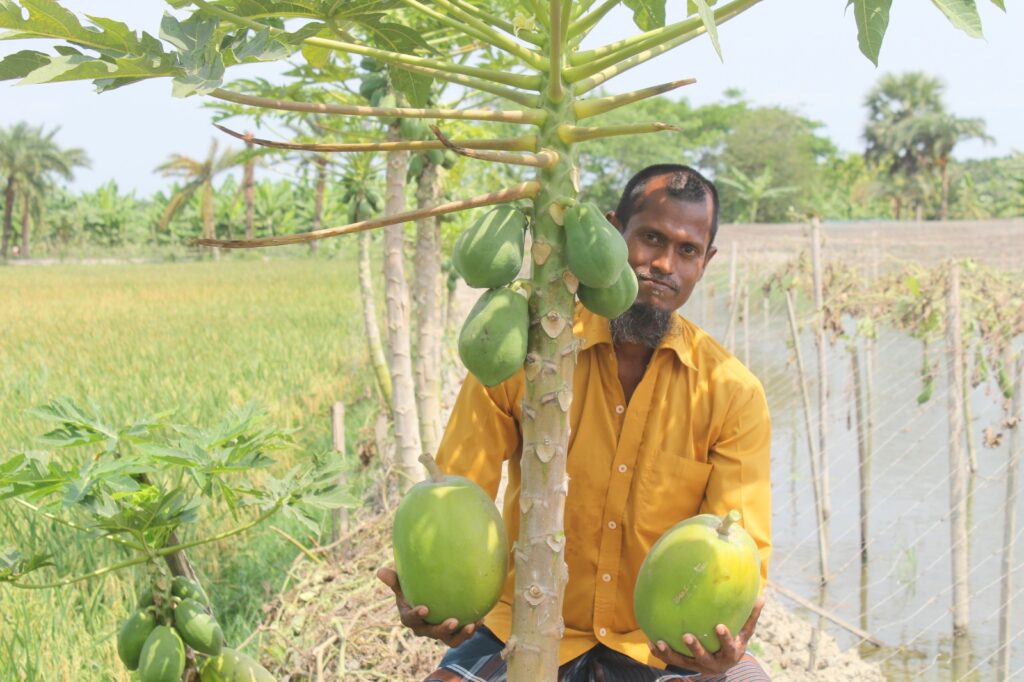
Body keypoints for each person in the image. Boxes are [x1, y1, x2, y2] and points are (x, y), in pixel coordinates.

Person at [378, 164, 773, 681]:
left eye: (687, 250)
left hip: (658, 645)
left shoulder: (730, 391)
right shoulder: (523, 351)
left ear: (707, 260)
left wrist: (727, 637)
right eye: (649, 238)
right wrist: (435, 590)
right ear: (611, 233)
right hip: (517, 625)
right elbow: (454, 495)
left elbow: (738, 547)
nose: (661, 264)